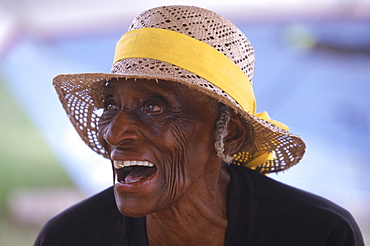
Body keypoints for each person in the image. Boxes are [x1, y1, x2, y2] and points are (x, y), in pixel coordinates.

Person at [34, 5, 364, 246]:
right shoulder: (71, 238)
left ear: (228, 133)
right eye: (111, 105)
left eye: (154, 106)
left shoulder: (317, 235)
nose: (113, 132)